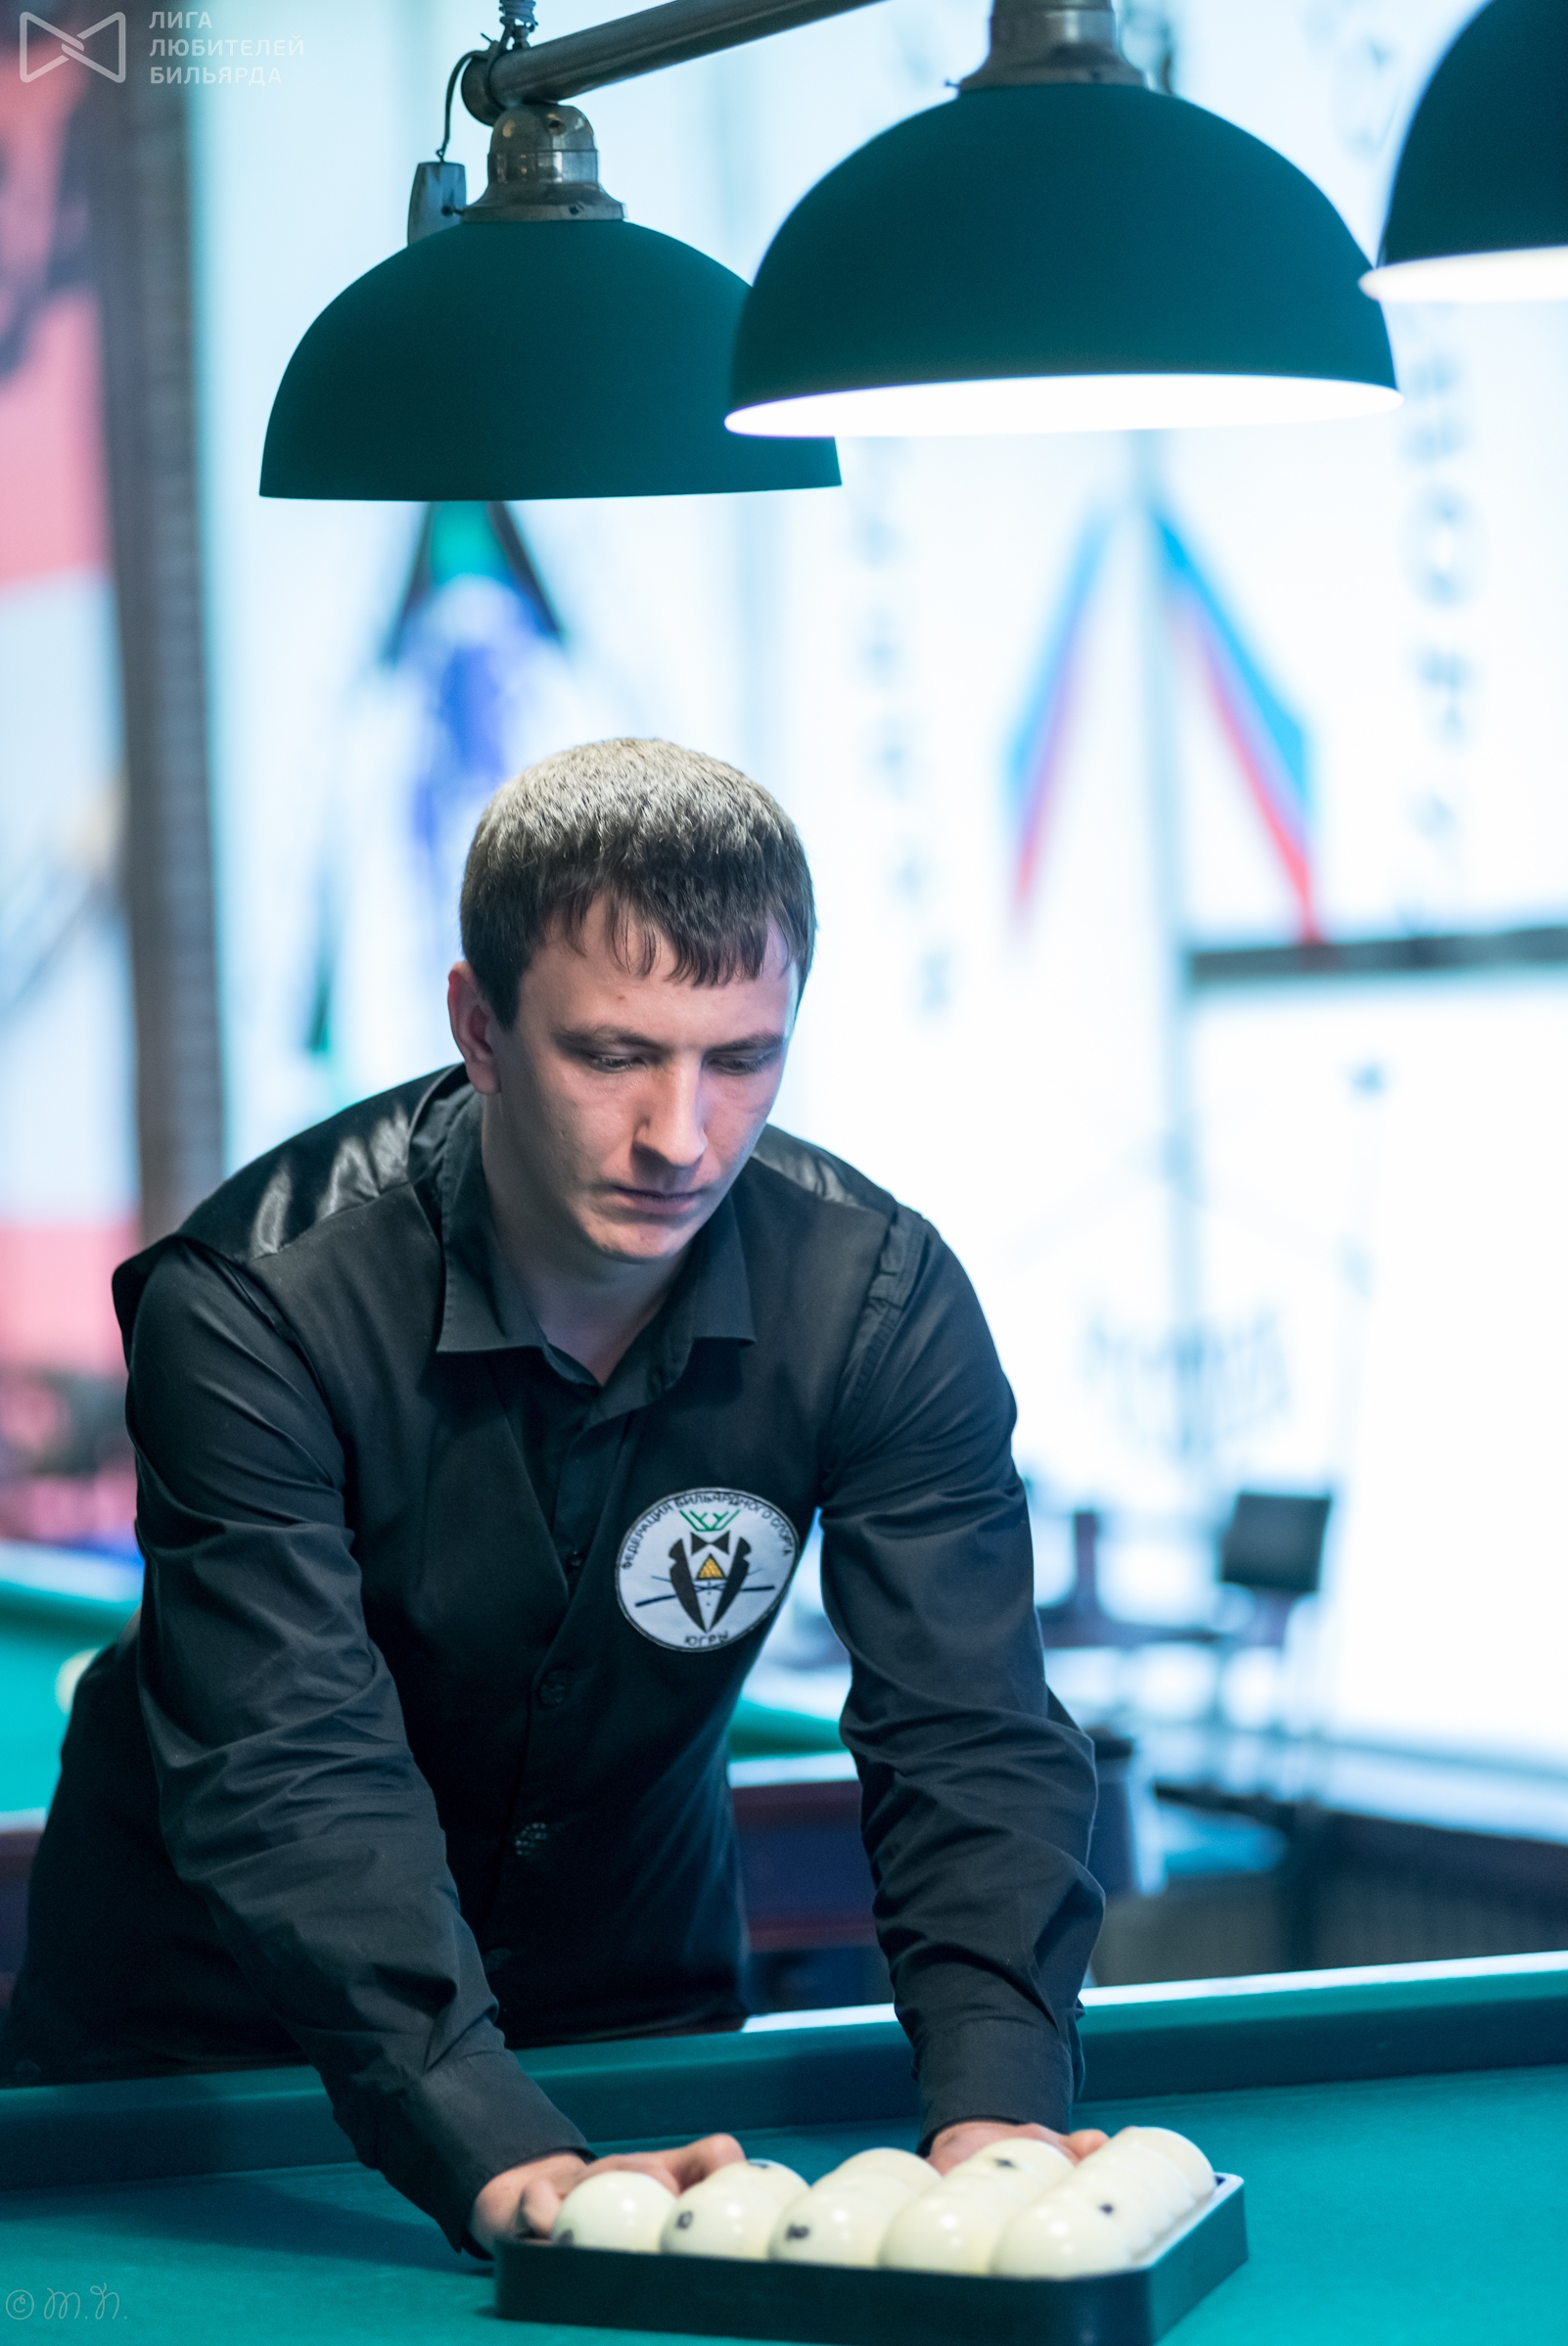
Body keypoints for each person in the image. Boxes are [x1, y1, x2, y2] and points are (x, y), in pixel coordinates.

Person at [1, 739, 1105, 2250]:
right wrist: (490, 2138)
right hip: (206, 2047)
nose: (680, 1136)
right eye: (612, 1055)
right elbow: (289, 1763)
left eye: (740, 1060)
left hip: (632, 2014)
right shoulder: (255, 1305)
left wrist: (996, 2111)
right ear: (480, 1026)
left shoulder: (875, 1301)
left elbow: (967, 1730)